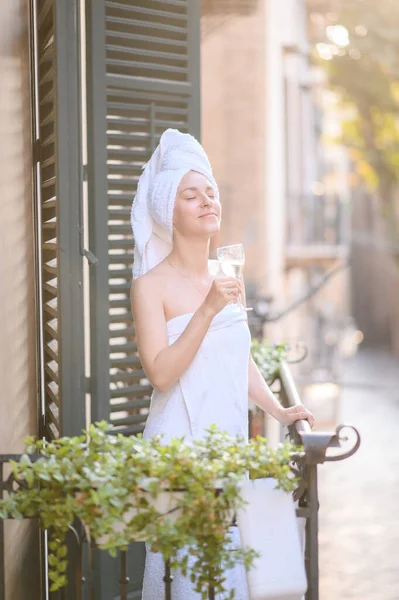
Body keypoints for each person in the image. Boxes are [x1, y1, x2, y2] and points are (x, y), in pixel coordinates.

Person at [130, 129, 314, 600]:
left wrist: (279, 412)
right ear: (167, 212)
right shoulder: (150, 287)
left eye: (210, 192)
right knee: (186, 576)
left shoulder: (226, 275)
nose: (207, 201)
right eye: (191, 196)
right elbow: (162, 374)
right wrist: (208, 310)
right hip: (179, 448)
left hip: (225, 443)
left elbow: (238, 358)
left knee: (228, 574)